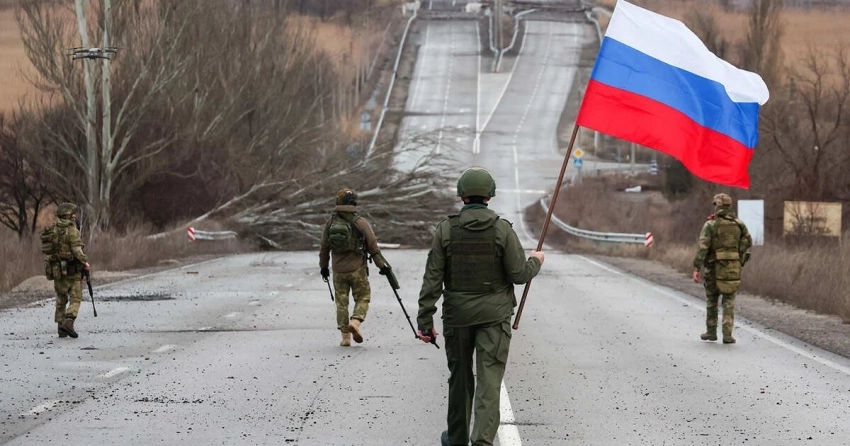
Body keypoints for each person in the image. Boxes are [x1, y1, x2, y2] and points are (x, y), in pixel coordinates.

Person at [416, 167, 544, 446]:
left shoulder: (446, 230)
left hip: (457, 317)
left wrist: (425, 320)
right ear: (490, 195)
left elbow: (432, 280)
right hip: (494, 318)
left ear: (461, 195)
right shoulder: (502, 230)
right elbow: (519, 274)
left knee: (460, 379)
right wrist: (536, 261)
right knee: (489, 381)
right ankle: (482, 442)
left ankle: (457, 438)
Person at [319, 188, 391, 347]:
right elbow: (373, 247)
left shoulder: (330, 223)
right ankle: (356, 322)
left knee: (341, 302)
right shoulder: (361, 222)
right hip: (357, 268)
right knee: (363, 297)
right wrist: (382, 266)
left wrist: (324, 267)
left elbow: (324, 247)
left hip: (338, 270)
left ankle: (345, 338)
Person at [692, 193, 753, 344]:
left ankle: (711, 332)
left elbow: (703, 248)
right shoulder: (739, 224)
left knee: (712, 300)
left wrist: (696, 267)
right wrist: (736, 254)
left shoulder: (711, 225)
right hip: (733, 268)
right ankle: (727, 335)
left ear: (717, 205)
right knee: (729, 300)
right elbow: (748, 241)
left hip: (713, 268)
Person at [44, 203, 91, 339]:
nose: (74, 216)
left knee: (61, 298)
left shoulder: (52, 230)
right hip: (72, 269)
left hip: (56, 269)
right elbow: (77, 250)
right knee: (76, 297)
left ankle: (61, 327)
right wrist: (85, 262)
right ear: (68, 216)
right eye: (72, 214)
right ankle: (69, 322)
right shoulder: (72, 231)